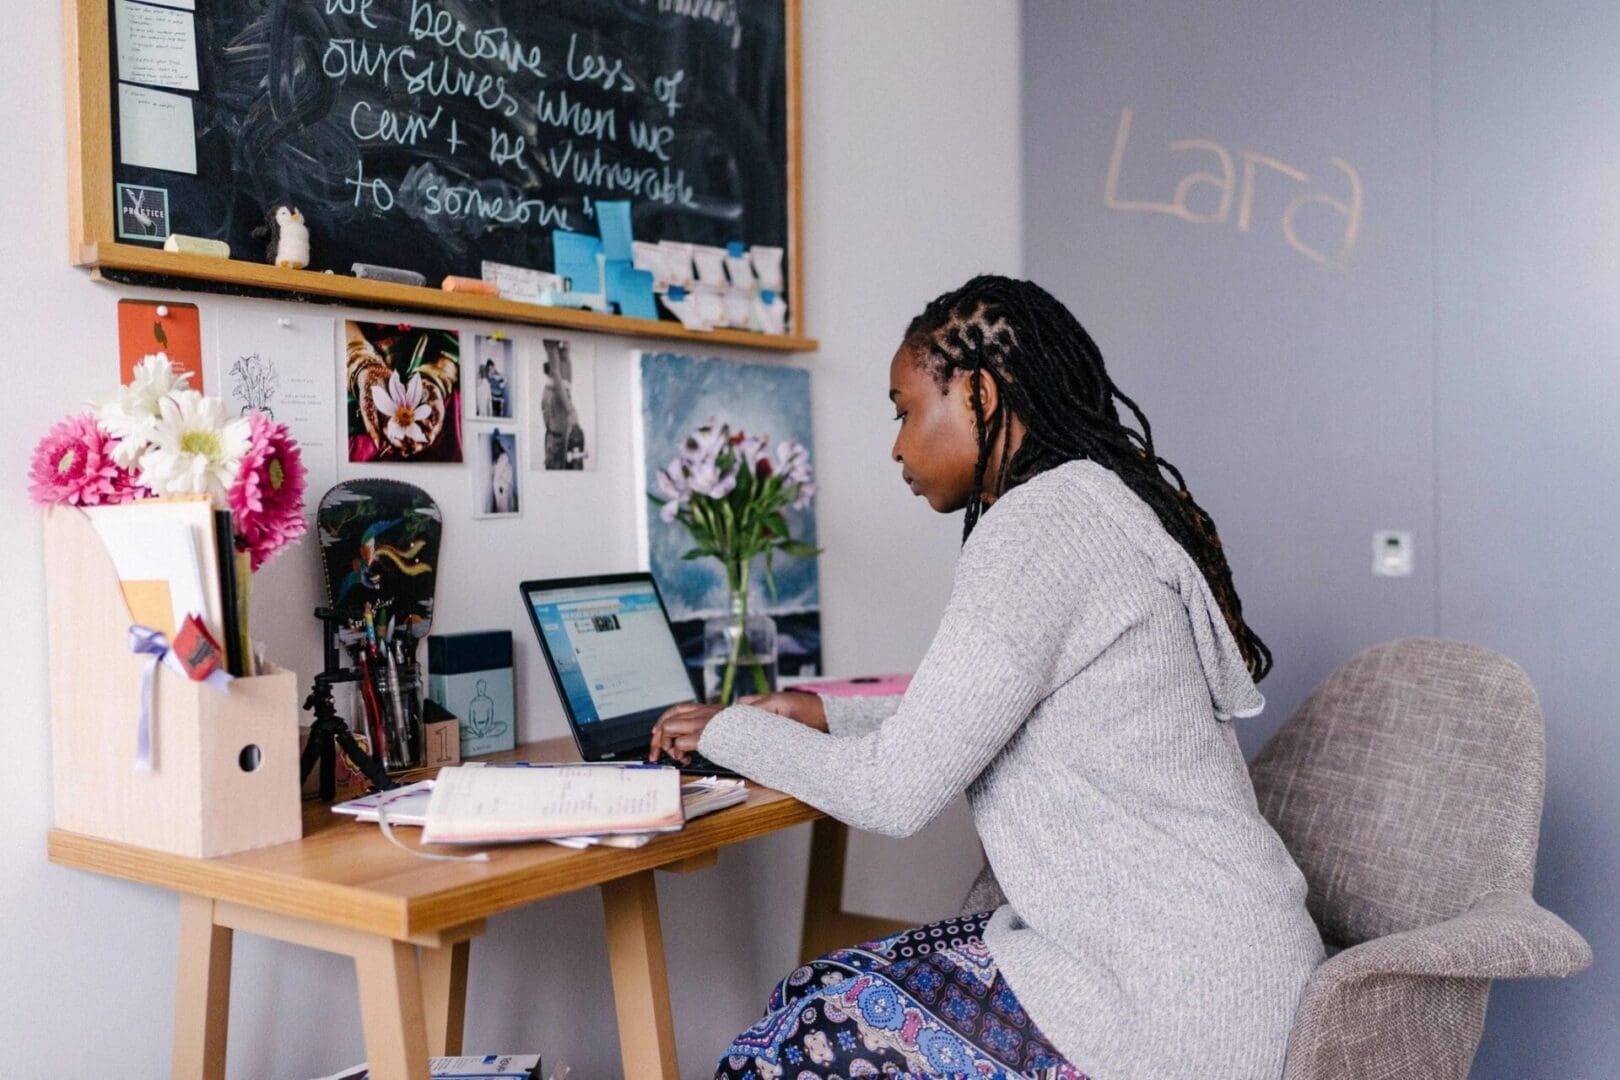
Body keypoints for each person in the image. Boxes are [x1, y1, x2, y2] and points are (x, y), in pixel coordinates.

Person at [650, 276, 1323, 1079]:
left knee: (790, 1047)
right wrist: (826, 715)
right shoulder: (1091, 504)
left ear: (977, 391)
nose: (897, 445)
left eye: (904, 410)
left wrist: (727, 729)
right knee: (812, 990)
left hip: (1174, 1005)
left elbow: (893, 793)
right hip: (1226, 969)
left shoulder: (1039, 527)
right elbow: (1003, 708)